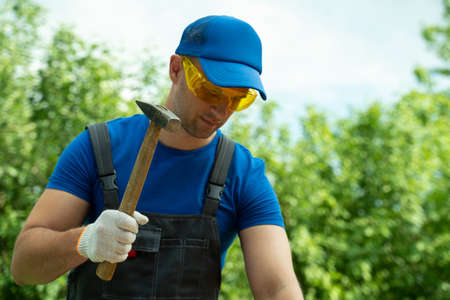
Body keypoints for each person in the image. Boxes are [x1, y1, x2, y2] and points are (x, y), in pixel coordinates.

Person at [11, 15, 303, 299]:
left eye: (238, 98)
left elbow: (277, 288)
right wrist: (84, 241)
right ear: (176, 68)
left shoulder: (242, 173)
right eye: (211, 90)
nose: (222, 110)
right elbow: (24, 267)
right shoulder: (98, 147)